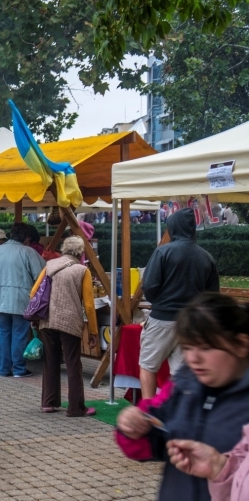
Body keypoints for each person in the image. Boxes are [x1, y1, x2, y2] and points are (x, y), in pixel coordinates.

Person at [116, 293, 249, 501]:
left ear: (240, 345)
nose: (193, 358)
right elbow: (155, 430)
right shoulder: (182, 385)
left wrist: (221, 467)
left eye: (205, 348)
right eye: (187, 347)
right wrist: (135, 428)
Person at [139, 208, 220, 399]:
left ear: (173, 227)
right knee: (181, 373)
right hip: (190, 323)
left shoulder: (163, 252)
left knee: (148, 366)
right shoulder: (206, 257)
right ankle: (180, 410)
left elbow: (149, 285)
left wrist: (158, 302)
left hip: (161, 318)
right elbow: (212, 296)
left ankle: (148, 410)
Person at [29, 236, 98, 416]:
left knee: (50, 361)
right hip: (70, 322)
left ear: (64, 249)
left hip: (47, 320)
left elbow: (33, 292)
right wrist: (93, 331)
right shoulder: (82, 270)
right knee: (73, 363)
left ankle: (48, 403)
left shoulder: (50, 265)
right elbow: (89, 305)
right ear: (81, 253)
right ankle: (76, 408)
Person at [0, 223, 46, 378]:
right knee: (19, 334)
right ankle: (19, 369)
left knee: (3, 333)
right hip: (21, 298)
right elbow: (41, 276)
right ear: (26, 238)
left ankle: (3, 369)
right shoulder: (28, 252)